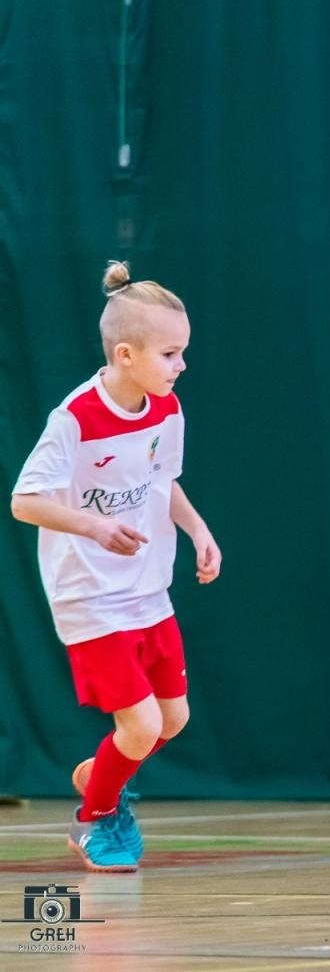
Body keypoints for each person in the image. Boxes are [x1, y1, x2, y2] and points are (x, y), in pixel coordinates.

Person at [11, 261, 222, 871]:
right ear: (126, 354)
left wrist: (200, 530)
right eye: (171, 353)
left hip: (148, 590)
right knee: (141, 723)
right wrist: (96, 524)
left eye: (183, 353)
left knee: (172, 719)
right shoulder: (74, 418)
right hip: (91, 599)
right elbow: (24, 502)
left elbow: (166, 483)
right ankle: (95, 820)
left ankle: (102, 773)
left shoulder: (166, 409)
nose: (181, 366)